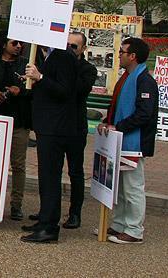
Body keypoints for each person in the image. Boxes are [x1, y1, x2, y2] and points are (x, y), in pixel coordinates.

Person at [99, 37, 158, 244]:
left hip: (134, 142)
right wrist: (108, 122)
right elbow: (117, 107)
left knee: (133, 188)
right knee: (121, 188)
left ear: (133, 56)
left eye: (122, 52)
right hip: (122, 140)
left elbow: (144, 114)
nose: (119, 56)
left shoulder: (144, 81)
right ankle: (120, 224)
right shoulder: (127, 78)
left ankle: (134, 229)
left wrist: (119, 126)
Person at [19, 44, 78, 243]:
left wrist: (41, 77)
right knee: (45, 176)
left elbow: (64, 90)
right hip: (46, 124)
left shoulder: (64, 56)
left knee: (50, 176)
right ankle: (44, 220)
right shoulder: (49, 55)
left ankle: (49, 227)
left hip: (56, 126)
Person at [0, 31, 31, 221]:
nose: (18, 46)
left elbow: (35, 90)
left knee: (18, 164)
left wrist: (20, 91)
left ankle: (16, 204)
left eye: (21, 43)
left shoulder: (26, 65)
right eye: (14, 43)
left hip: (19, 120)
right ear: (3, 44)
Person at [62, 32, 97, 228]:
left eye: (73, 46)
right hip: (57, 125)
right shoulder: (56, 64)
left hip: (75, 126)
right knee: (50, 169)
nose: (69, 49)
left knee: (75, 171)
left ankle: (75, 213)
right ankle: (47, 210)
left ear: (83, 49)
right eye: (66, 45)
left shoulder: (88, 69)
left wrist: (70, 65)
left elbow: (78, 90)